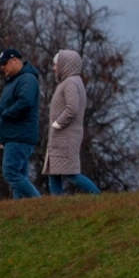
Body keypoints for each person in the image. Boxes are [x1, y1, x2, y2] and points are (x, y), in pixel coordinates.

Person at [41, 49, 100, 195]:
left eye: (56, 64)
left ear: (65, 65)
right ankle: (57, 207)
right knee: (54, 172)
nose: (54, 68)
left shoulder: (70, 83)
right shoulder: (70, 82)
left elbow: (72, 108)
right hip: (61, 136)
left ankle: (98, 196)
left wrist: (58, 123)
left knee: (71, 174)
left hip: (65, 136)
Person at [0, 48, 42, 199]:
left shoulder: (27, 79)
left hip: (19, 136)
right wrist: (1, 136)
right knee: (21, 176)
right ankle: (20, 213)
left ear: (15, 60)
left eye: (5, 63)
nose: (2, 67)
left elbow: (25, 102)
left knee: (11, 172)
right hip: (14, 136)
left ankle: (40, 204)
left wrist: (7, 114)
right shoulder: (15, 80)